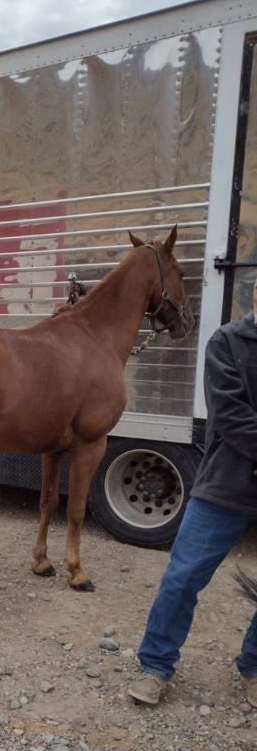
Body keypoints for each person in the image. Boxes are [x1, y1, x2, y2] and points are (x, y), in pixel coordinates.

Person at [128, 273, 257, 707]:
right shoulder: (227, 343)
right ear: (256, 293)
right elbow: (233, 418)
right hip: (228, 482)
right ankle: (156, 665)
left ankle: (253, 666)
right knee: (182, 579)